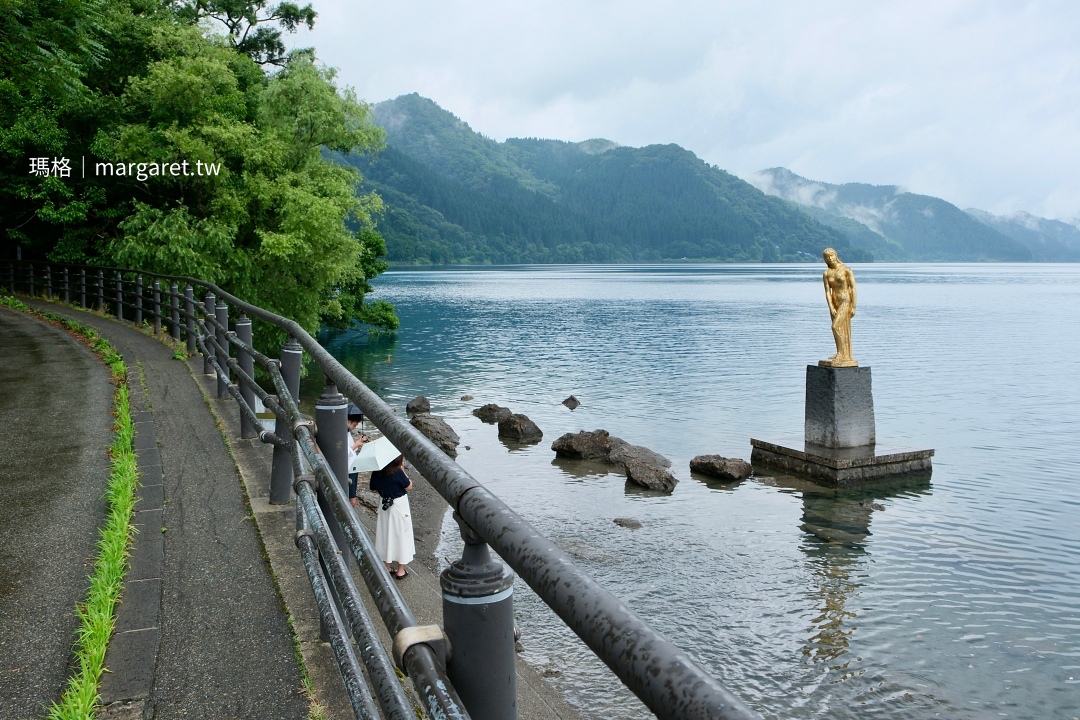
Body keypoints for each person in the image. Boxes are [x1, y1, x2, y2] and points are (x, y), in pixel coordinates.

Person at [369, 454, 415, 579]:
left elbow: (373, 488)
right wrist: (403, 470)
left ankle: (386, 566)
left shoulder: (377, 471)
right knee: (402, 534)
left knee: (385, 533)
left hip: (385, 504)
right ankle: (401, 570)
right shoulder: (398, 472)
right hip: (399, 505)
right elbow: (409, 486)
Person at [821, 247, 858, 367]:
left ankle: (842, 353)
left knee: (835, 326)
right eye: (827, 257)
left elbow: (852, 288)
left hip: (845, 301)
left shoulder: (846, 270)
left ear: (835, 255)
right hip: (835, 302)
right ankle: (840, 353)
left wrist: (853, 305)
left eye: (831, 256)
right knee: (839, 328)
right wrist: (831, 306)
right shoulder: (826, 273)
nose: (830, 258)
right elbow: (827, 292)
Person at [346, 403, 367, 508]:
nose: (354, 427)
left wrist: (358, 442)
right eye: (354, 425)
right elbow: (343, 453)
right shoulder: (342, 432)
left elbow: (351, 448)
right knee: (351, 501)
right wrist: (356, 445)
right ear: (348, 421)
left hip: (353, 468)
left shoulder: (347, 432)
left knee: (351, 499)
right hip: (349, 470)